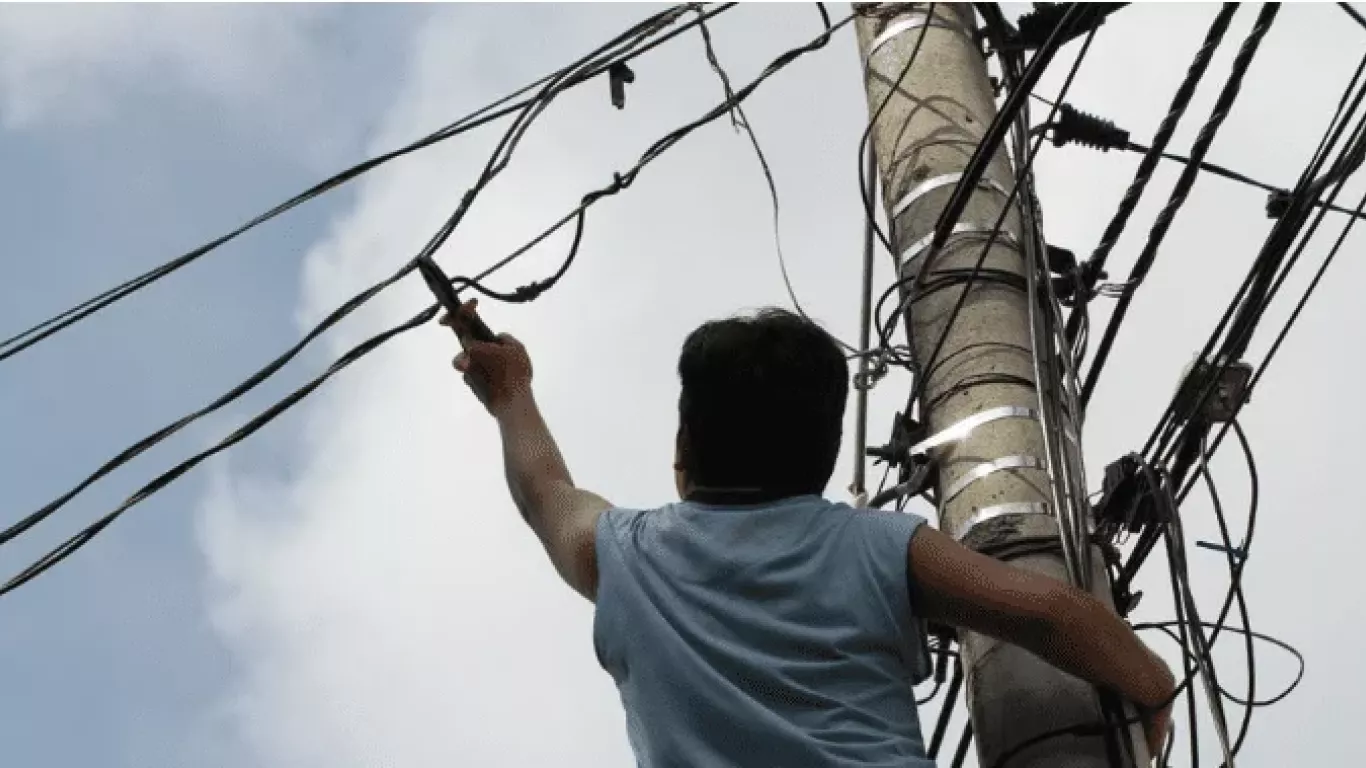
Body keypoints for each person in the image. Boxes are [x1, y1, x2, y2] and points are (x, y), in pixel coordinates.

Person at [442, 300, 1175, 767]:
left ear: (683, 449)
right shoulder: (881, 546)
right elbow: (1052, 611)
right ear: (826, 456)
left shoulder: (626, 557)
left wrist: (510, 393)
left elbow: (545, 493)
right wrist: (1153, 689)